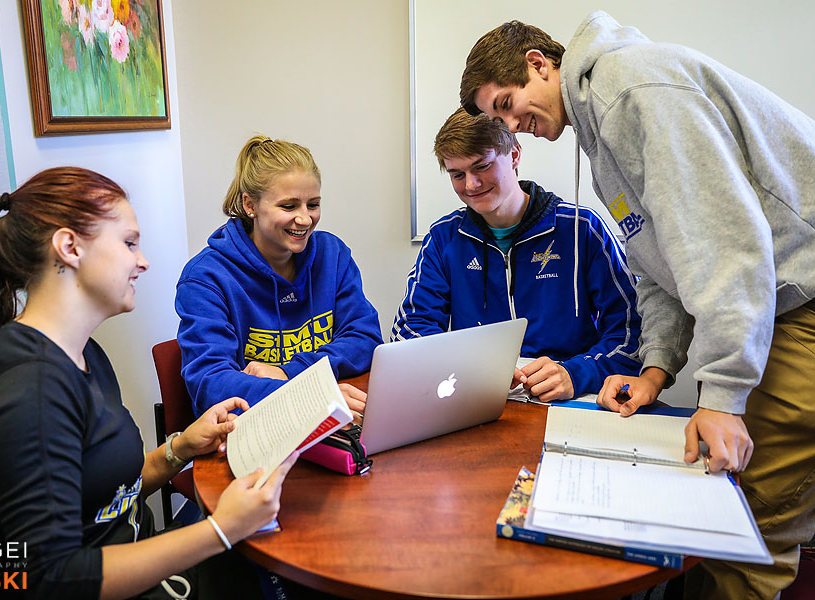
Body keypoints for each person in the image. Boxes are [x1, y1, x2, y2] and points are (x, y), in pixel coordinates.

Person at [459, 12, 815, 598]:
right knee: (722, 510)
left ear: (538, 64)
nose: (511, 126)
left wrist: (724, 392)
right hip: (774, 312)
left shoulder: (631, 90)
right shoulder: (603, 130)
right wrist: (655, 369)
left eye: (505, 103)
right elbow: (660, 267)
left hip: (801, 308)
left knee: (749, 526)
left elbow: (723, 245)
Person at [0, 167, 296, 600]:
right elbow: (53, 578)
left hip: (138, 557)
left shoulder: (83, 352)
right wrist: (222, 529)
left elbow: (111, 493)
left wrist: (181, 448)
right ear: (69, 247)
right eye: (130, 243)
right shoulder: (29, 389)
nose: (143, 260)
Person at [392, 107, 641, 400]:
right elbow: (410, 330)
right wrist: (468, 366)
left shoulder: (581, 229)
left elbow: (632, 330)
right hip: (481, 397)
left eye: (482, 166)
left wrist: (576, 373)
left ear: (514, 155)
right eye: (458, 174)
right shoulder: (443, 238)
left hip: (572, 400)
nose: (471, 185)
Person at [176, 135, 382, 419]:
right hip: (250, 426)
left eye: (313, 204)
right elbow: (210, 383)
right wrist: (311, 394)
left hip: (326, 416)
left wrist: (289, 372)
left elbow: (365, 338)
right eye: (288, 206)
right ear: (250, 205)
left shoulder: (332, 255)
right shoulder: (205, 278)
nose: (305, 219)